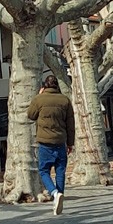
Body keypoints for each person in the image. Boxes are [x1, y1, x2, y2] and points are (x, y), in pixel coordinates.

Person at [26, 74, 75, 215]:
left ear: (45, 85)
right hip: (60, 142)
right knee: (60, 172)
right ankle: (59, 196)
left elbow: (30, 114)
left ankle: (54, 193)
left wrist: (38, 96)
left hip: (45, 143)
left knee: (44, 171)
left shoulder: (39, 99)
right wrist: (70, 143)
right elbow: (70, 125)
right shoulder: (65, 100)